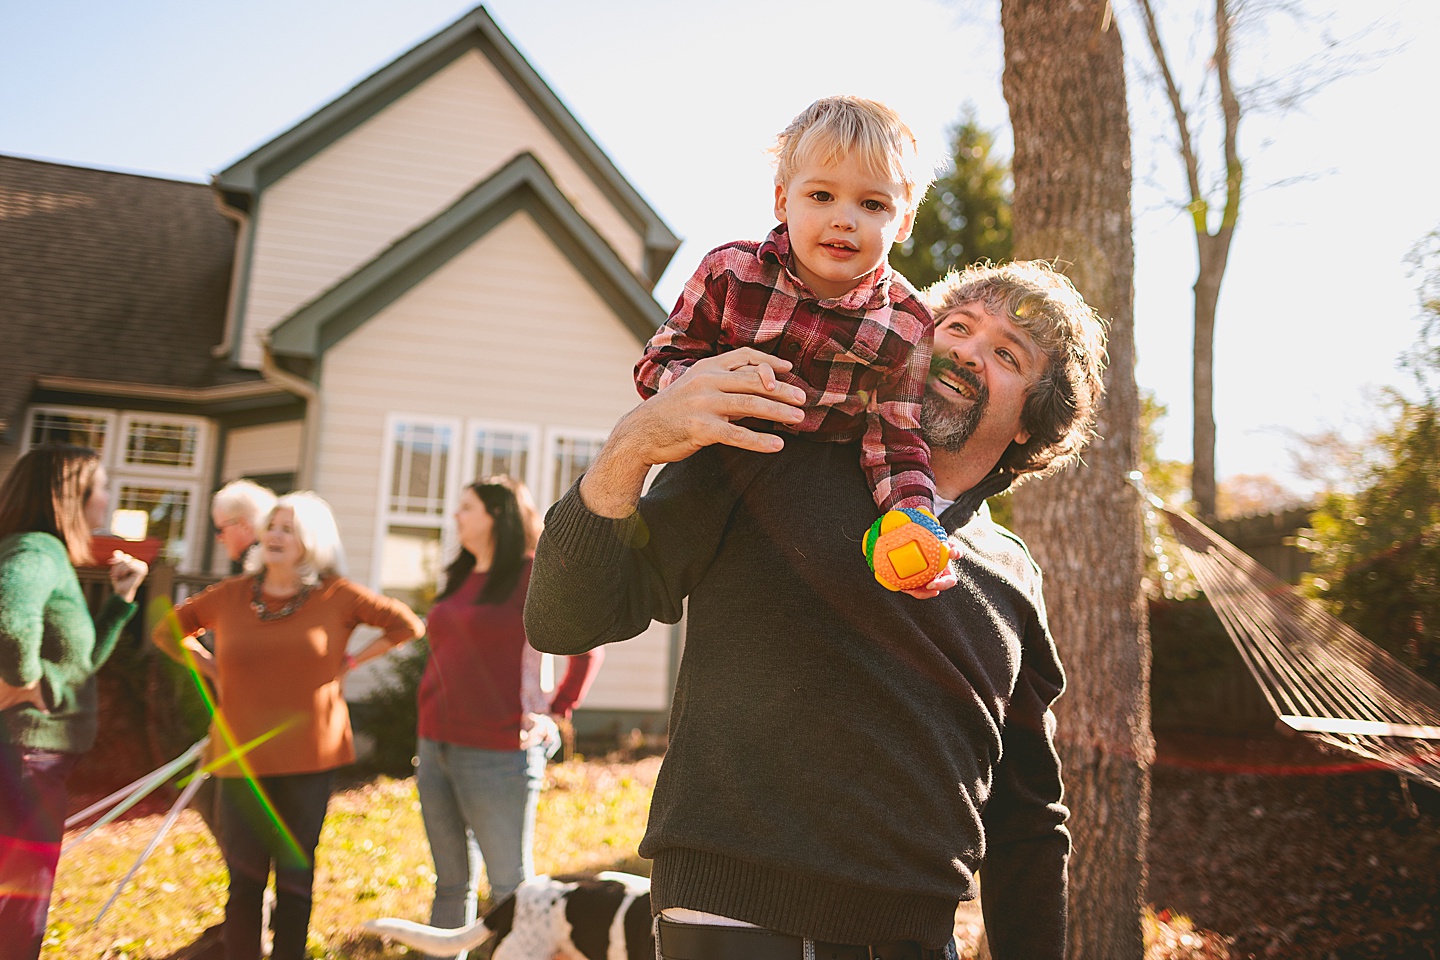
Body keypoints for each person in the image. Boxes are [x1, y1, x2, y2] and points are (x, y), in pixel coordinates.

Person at [525, 261, 1109, 960]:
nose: (967, 351)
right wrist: (632, 447)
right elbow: (564, 620)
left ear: (1031, 424)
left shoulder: (1014, 578)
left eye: (1007, 353)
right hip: (730, 923)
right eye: (956, 326)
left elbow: (1027, 822)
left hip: (915, 940)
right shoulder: (770, 455)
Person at [635, 97, 940, 536]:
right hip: (707, 472)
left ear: (905, 222)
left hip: (817, 503)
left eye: (873, 205)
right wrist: (709, 385)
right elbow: (654, 367)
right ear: (782, 201)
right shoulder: (731, 273)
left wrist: (913, 520)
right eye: (821, 196)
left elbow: (897, 440)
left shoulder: (907, 324)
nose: (844, 219)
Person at [152, 491, 423, 960]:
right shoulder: (231, 595)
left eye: (288, 528)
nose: (275, 535)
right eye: (272, 526)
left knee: (295, 880)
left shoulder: (336, 595)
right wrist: (212, 668)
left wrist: (353, 659)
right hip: (240, 757)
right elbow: (167, 631)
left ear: (310, 541)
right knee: (244, 883)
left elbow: (405, 625)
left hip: (309, 755)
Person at [416, 476, 601, 958]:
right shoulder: (459, 576)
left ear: (496, 515)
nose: (456, 516)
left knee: (510, 887)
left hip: (499, 750)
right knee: (450, 882)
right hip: (435, 744)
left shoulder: (532, 574)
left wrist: (556, 712)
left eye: (467, 507)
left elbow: (586, 646)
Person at [0, 444, 149, 960]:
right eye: (102, 486)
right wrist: (30, 685)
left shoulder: (43, 552)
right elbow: (10, 622)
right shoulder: (36, 551)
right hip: (24, 758)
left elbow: (79, 664)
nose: (107, 498)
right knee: (19, 902)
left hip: (33, 759)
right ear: (72, 493)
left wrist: (121, 603)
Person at [212, 479, 277, 570]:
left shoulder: (264, 567)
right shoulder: (272, 558)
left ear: (244, 525)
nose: (219, 538)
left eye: (220, 530)